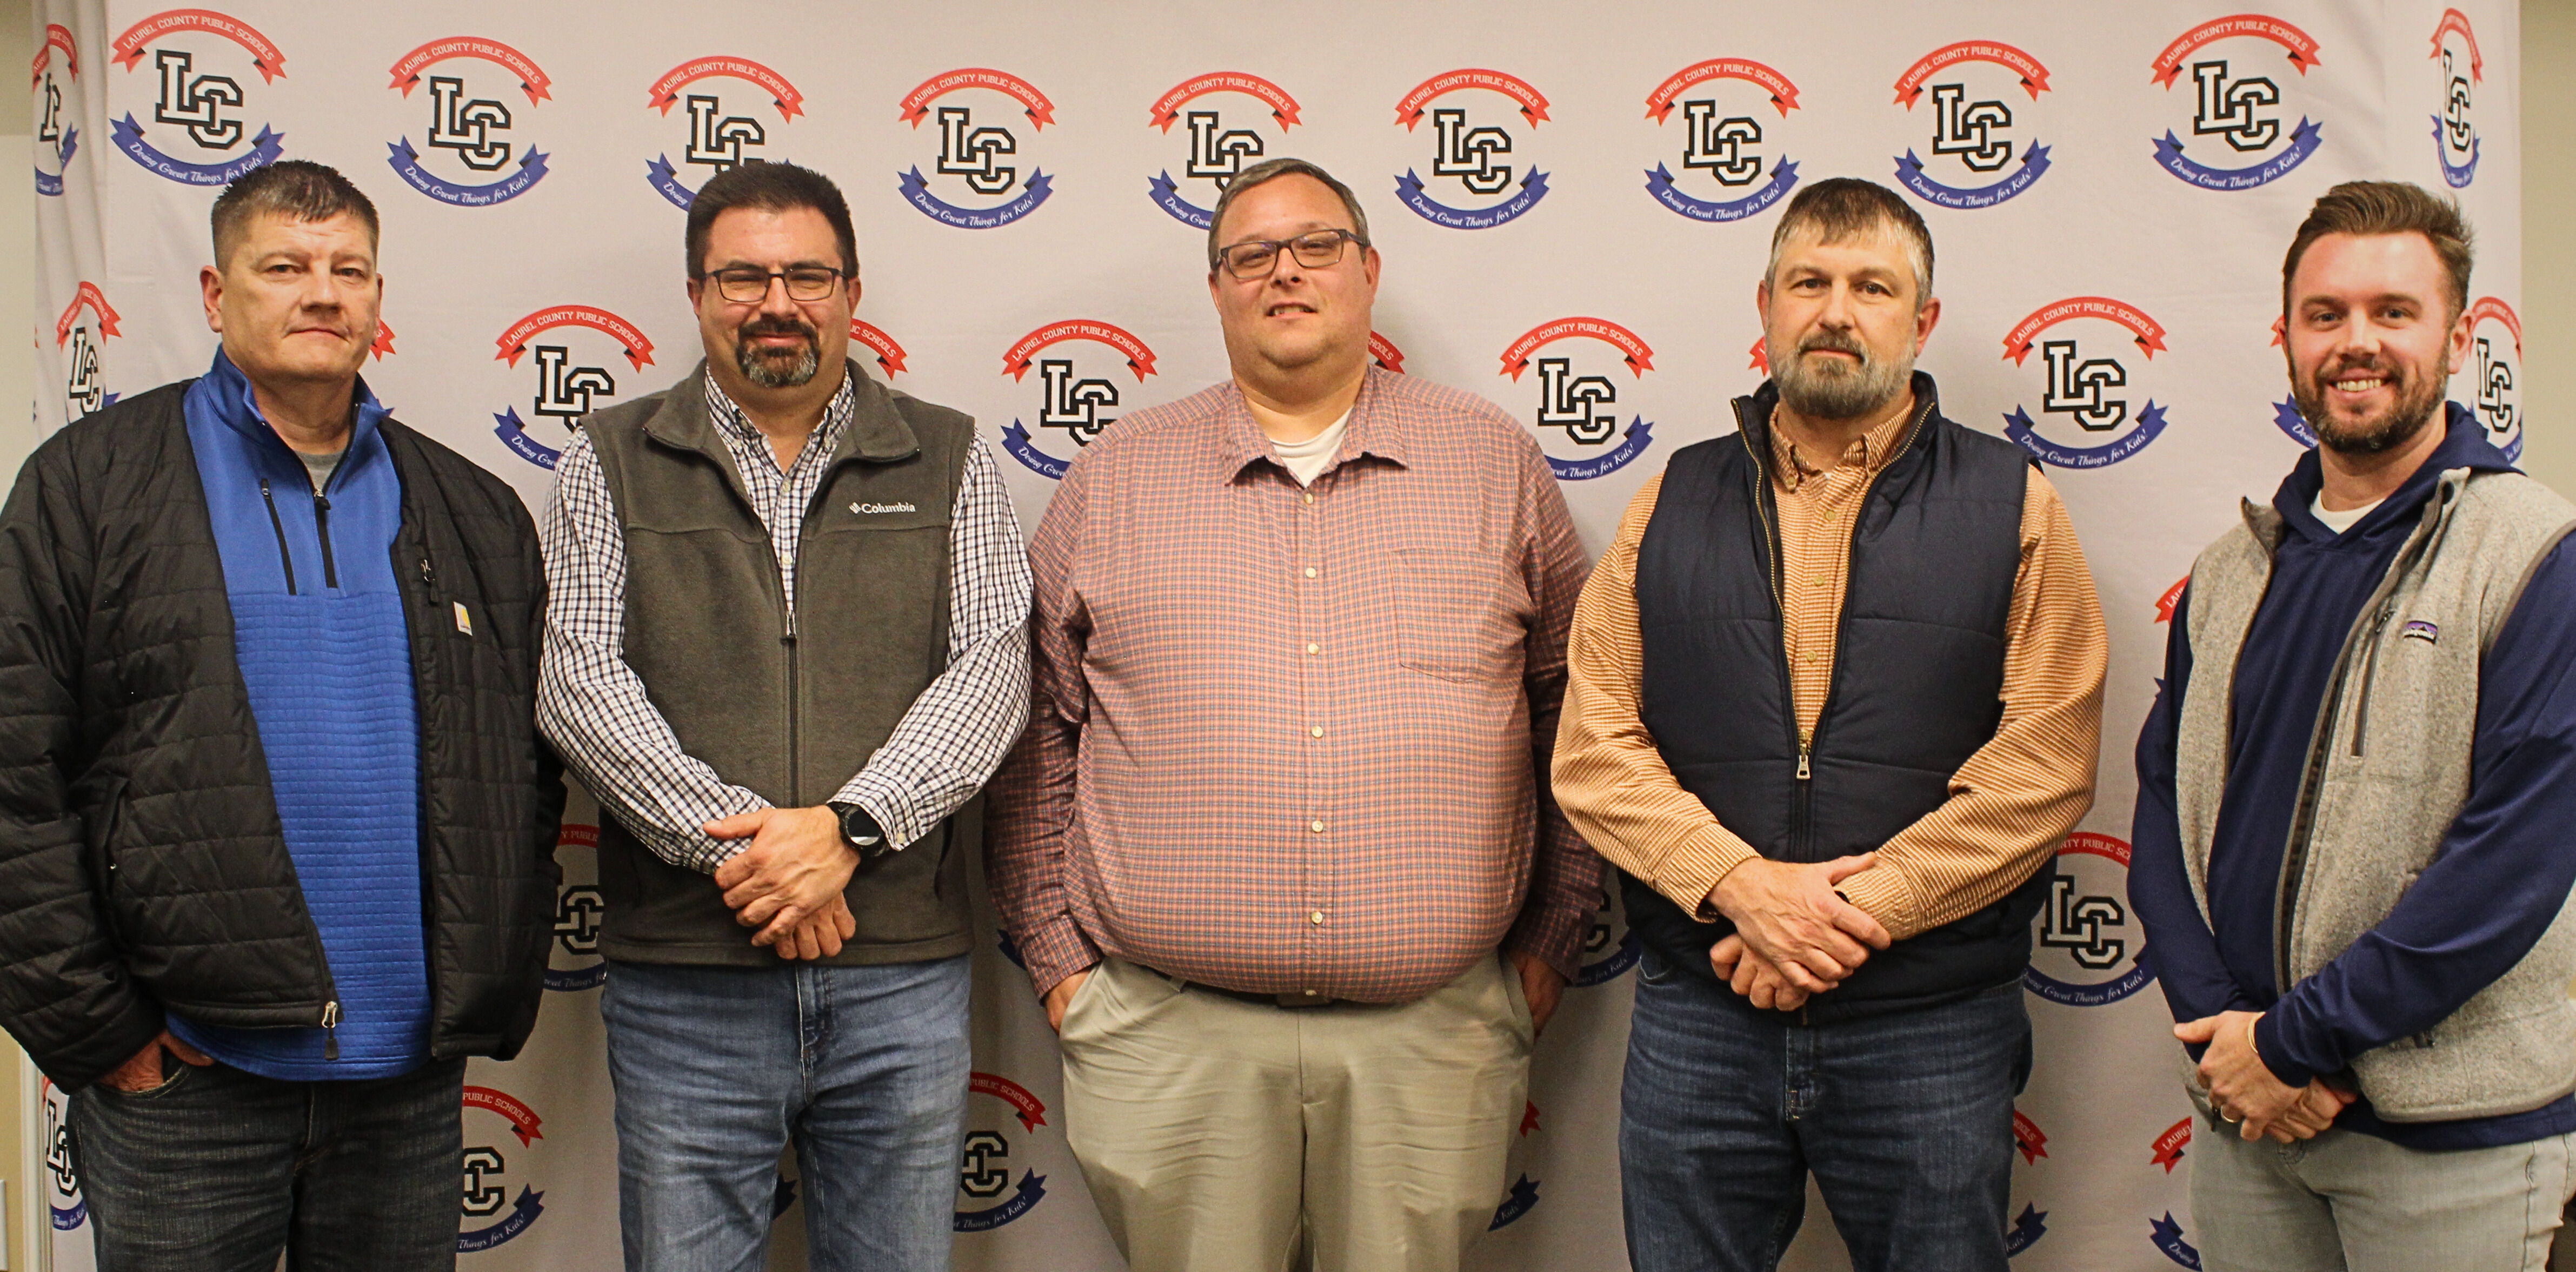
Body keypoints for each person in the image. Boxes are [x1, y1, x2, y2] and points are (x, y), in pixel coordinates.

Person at [984, 155, 1602, 1272]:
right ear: (1217, 287)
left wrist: (1550, 939)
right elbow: (1035, 728)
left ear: (1368, 271)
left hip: (1433, 1040)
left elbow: (1577, 713)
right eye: (1250, 255)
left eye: (1315, 246)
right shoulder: (1116, 479)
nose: (1285, 274)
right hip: (1170, 1040)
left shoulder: (1492, 461)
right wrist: (1059, 963)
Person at [0, 160, 562, 1271]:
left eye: (349, 270)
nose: (322, 293)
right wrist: (102, 1036)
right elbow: (15, 772)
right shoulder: (91, 485)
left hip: (406, 1088)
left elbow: (525, 779)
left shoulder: (473, 510)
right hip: (187, 1084)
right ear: (217, 296)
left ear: (377, 300)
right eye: (286, 267)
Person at [1552, 176, 2107, 1272]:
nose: (1835, 312)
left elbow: (2042, 765)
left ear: (1922, 320)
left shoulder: (2014, 503)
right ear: (1764, 306)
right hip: (1704, 1012)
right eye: (1809, 282)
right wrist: (1744, 891)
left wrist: (1845, 914)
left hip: (1929, 1026)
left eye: (1871, 287)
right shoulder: (1671, 498)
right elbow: (1595, 744)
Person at [536, 160, 1030, 1272]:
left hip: (897, 977)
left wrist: (847, 830)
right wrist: (758, 857)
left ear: (852, 291)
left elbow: (992, 668)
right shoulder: (610, 461)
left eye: (806, 275)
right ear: (698, 293)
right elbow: (579, 679)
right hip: (685, 984)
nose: (776, 303)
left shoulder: (949, 457)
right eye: (743, 278)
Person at [2129, 180, 2576, 1271]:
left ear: (2457, 337)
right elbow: (2160, 810)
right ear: (2286, 337)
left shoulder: (2532, 555)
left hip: (2447, 1146)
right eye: (2325, 315)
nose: (2355, 343)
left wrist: (2292, 1044)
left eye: (2392, 312)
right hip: (2248, 1120)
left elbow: (2513, 862)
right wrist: (2226, 1038)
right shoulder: (2228, 573)